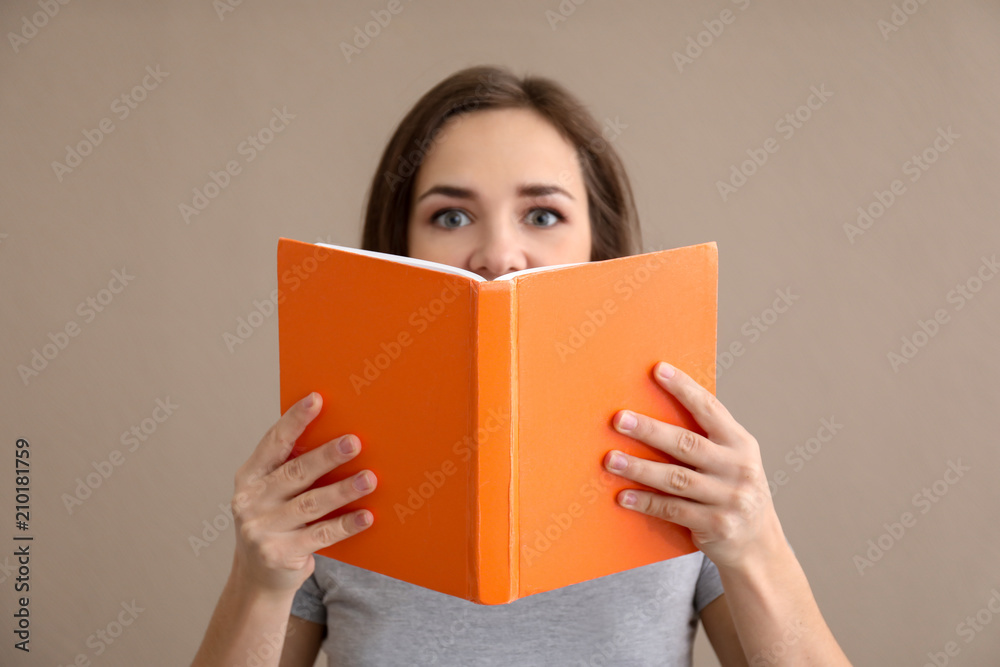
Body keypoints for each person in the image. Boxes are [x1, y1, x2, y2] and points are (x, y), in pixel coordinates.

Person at [191, 65, 851, 666]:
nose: (500, 254)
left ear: (600, 247)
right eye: (451, 215)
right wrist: (259, 578)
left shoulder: (682, 466)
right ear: (400, 247)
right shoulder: (333, 473)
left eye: (542, 214)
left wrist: (756, 539)